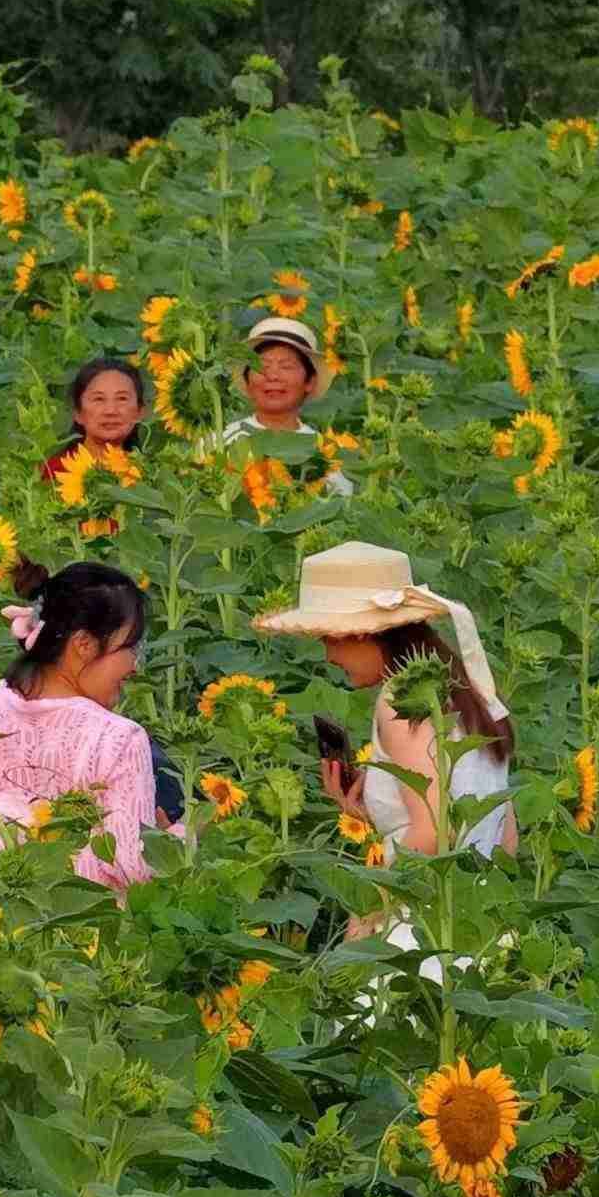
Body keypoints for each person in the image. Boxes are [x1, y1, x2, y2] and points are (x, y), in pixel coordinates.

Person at [0, 561, 160, 890]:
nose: (135, 666)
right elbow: (132, 869)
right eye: (131, 648)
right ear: (84, 645)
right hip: (81, 920)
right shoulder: (119, 740)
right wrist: (176, 838)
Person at [257, 540, 517, 860]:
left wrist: (377, 893)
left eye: (327, 637)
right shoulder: (468, 685)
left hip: (426, 892)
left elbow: (434, 832)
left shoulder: (402, 698)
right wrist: (372, 808)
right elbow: (505, 834)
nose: (328, 656)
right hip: (480, 888)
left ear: (357, 632)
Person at [206, 314, 353, 495]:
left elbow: (342, 501)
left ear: (310, 381)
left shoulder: (321, 453)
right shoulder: (219, 442)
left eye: (287, 366)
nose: (273, 376)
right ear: (247, 380)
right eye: (262, 366)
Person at [42, 355, 150, 486]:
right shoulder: (53, 472)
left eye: (122, 398)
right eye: (98, 399)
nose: (110, 410)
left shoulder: (150, 474)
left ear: (140, 412)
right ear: (77, 412)